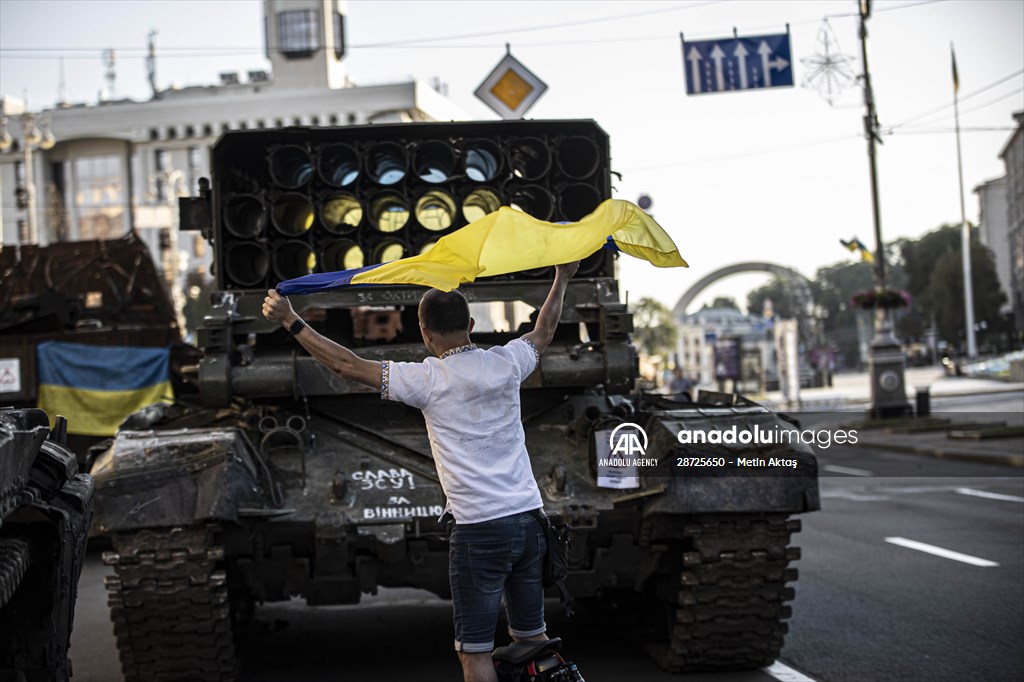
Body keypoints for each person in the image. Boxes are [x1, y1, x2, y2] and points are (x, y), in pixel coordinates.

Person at [262, 261, 580, 682]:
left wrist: (291, 321)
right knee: (534, 641)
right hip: (529, 522)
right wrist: (562, 277)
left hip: (479, 532)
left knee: (476, 653)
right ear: (469, 324)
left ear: (425, 333)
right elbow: (544, 330)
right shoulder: (507, 362)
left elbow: (348, 366)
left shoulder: (429, 379)